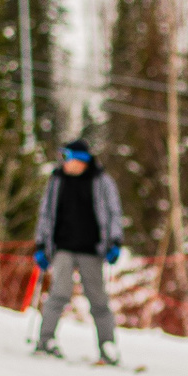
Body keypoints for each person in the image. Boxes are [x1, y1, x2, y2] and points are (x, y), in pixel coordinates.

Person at [32, 139, 124, 364]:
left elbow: (114, 212)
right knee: (59, 293)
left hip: (92, 249)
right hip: (62, 247)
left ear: (80, 160)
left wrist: (115, 242)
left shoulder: (101, 181)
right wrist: (41, 245)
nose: (63, 162)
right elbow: (45, 213)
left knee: (98, 299)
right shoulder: (57, 181)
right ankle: (45, 340)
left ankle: (107, 345)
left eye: (67, 157)